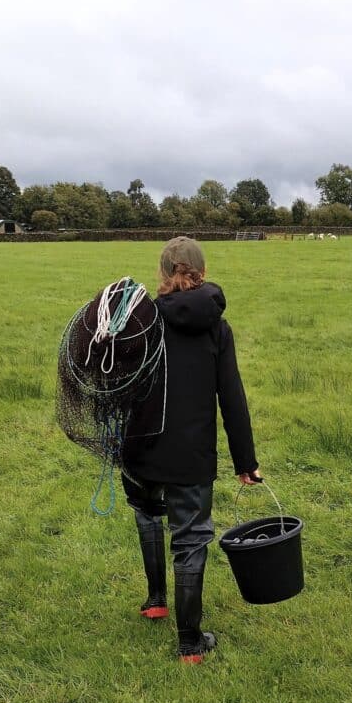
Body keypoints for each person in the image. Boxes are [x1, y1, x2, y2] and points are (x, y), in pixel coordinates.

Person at [121, 236, 261, 664]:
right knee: (191, 538)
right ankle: (189, 643)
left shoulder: (139, 320)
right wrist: (245, 461)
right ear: (201, 270)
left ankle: (156, 600)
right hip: (191, 455)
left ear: (163, 273)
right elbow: (231, 397)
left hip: (139, 449)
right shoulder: (218, 328)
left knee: (148, 514)